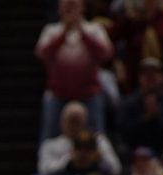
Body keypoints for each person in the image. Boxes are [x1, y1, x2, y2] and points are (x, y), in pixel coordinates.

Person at [34, 0, 113, 139]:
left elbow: (106, 53)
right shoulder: (51, 30)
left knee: (97, 138)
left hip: (89, 94)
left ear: (82, 8)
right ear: (59, 9)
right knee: (50, 138)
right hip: (58, 94)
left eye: (74, 5)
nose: (70, 10)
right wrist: (64, 33)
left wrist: (82, 32)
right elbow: (42, 54)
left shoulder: (94, 29)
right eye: (66, 6)